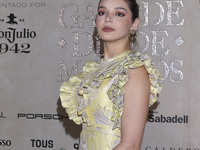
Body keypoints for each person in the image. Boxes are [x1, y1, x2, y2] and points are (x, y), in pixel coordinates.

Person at [60, 0, 162, 149]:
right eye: (102, 12)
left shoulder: (134, 70)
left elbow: (131, 145)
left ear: (134, 24)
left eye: (119, 13)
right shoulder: (93, 72)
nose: (108, 18)